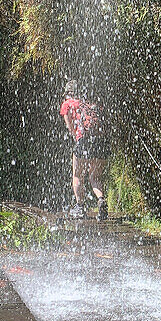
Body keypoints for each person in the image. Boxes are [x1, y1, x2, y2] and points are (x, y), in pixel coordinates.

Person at [59, 80, 109, 219]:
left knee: (77, 175)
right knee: (95, 176)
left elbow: (70, 126)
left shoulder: (67, 104)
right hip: (101, 142)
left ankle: (80, 207)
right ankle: (101, 200)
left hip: (84, 141)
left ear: (68, 92)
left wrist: (76, 138)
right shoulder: (89, 103)